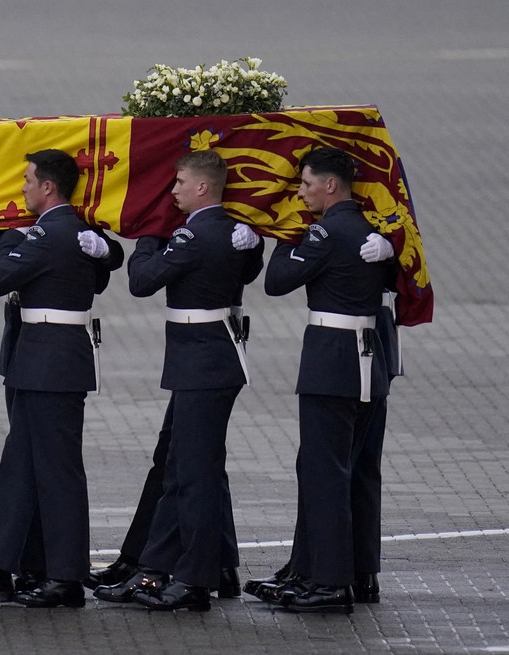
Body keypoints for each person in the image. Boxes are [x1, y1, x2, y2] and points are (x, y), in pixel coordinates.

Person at [0, 149, 119, 608]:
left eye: (27, 181)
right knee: (18, 467)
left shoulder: (47, 234)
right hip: (42, 361)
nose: (21, 188)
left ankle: (66, 577)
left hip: (50, 365)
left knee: (59, 471)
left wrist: (15, 232)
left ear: (48, 187)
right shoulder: (76, 231)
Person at [95, 150, 263, 612]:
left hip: (202, 364)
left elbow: (142, 281)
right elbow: (249, 269)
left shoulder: (194, 234)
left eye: (180, 182)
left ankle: (193, 579)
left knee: (193, 475)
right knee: (182, 467)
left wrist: (150, 232)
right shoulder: (232, 232)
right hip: (209, 361)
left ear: (203, 187)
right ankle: (162, 568)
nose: (173, 191)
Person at [259, 147, 392, 614]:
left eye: (306, 183)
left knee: (324, 473)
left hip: (332, 364)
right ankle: (354, 572)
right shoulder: (376, 228)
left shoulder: (326, 232)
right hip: (370, 360)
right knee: (355, 470)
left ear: (330, 185)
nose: (301, 192)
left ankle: (330, 582)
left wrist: (284, 234)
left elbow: (277, 281)